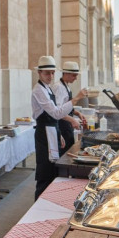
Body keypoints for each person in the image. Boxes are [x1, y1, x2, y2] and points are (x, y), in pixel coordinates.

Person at [31, 56, 86, 200]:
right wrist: (76, 99)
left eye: (52, 73)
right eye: (47, 73)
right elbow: (56, 113)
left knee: (53, 169)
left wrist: (58, 132)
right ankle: (39, 205)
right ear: (39, 73)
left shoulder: (47, 88)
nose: (50, 76)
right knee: (45, 171)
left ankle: (49, 201)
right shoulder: (38, 90)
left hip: (51, 131)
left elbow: (54, 113)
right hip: (44, 134)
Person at [54, 61, 87, 156]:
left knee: (69, 150)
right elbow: (57, 110)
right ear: (66, 74)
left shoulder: (66, 86)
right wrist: (72, 120)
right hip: (62, 125)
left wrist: (77, 113)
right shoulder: (58, 87)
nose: (76, 78)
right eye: (74, 75)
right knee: (65, 153)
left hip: (67, 124)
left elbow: (66, 106)